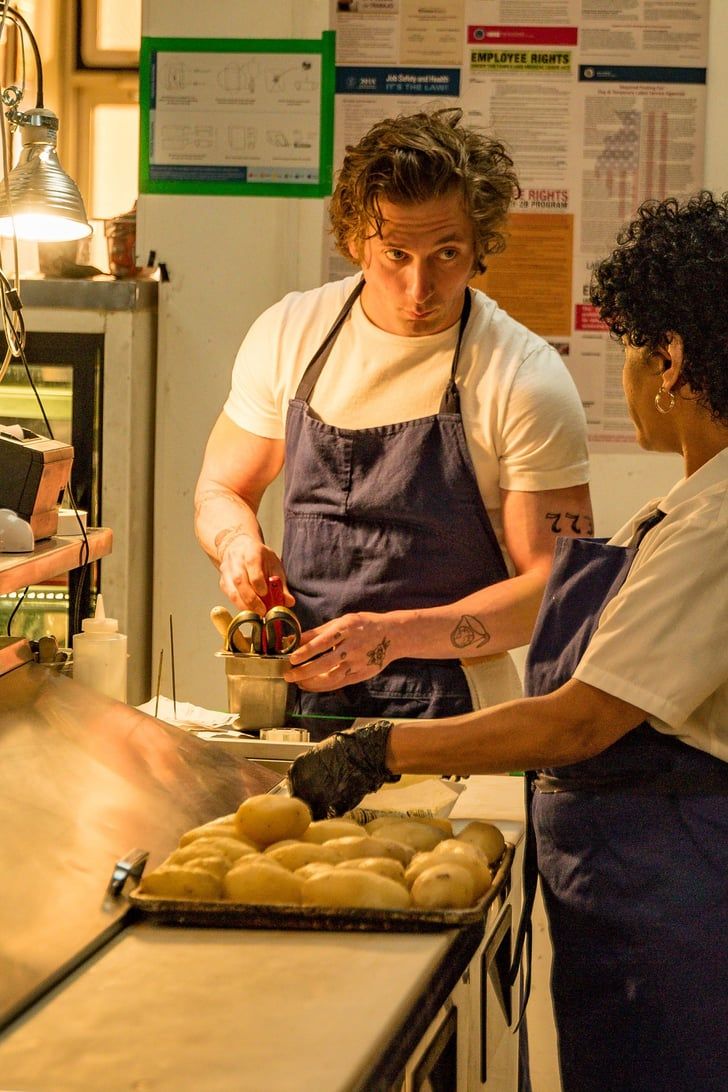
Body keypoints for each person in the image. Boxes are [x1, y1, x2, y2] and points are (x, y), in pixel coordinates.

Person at [288, 191, 728, 1092]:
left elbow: (579, 723)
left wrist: (380, 746)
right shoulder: (687, 507)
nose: (632, 376)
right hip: (631, 896)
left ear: (673, 361)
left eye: (634, 351)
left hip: (674, 904)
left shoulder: (716, 523)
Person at [195, 108, 591, 737]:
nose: (419, 287)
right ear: (355, 241)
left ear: (480, 244)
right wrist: (236, 544)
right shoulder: (289, 335)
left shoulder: (523, 376)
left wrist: (394, 637)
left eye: (447, 253)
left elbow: (555, 587)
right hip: (299, 699)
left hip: (455, 713)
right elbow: (222, 491)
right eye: (396, 254)